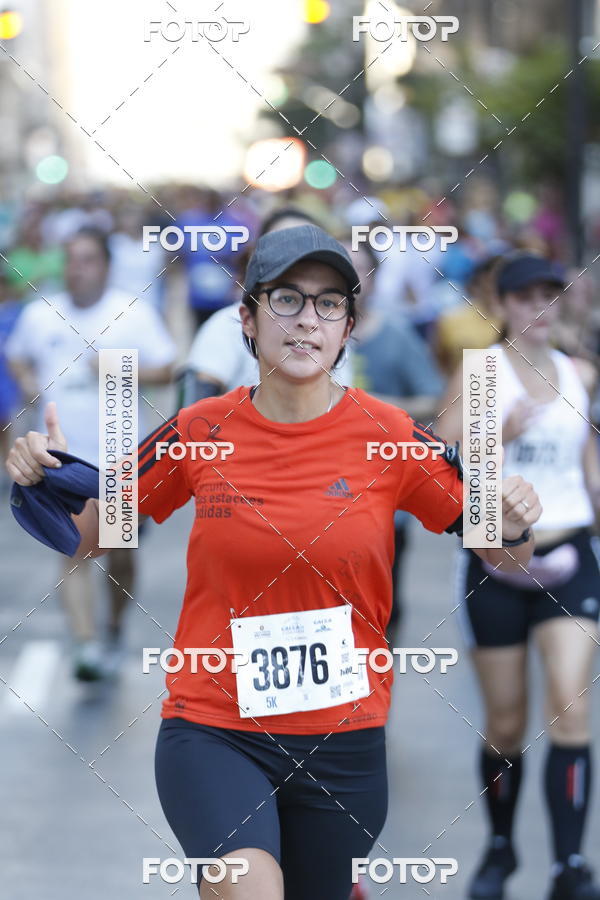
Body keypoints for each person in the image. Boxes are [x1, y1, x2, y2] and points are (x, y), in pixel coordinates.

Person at [6, 226, 539, 900]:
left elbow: (500, 551)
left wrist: (516, 525)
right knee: (248, 888)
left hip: (342, 742)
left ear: (348, 328)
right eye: (286, 299)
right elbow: (93, 537)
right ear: (248, 321)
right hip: (214, 727)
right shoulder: (200, 430)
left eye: (328, 304)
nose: (307, 320)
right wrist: (40, 476)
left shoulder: (392, 437)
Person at [436, 252, 600, 900]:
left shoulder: (581, 372)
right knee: (506, 723)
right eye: (525, 297)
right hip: (495, 560)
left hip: (569, 554)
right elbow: (438, 459)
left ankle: (569, 866)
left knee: (572, 702)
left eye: (549, 295)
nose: (539, 309)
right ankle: (500, 850)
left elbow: (590, 465)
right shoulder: (481, 373)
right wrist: (496, 432)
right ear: (501, 306)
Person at [5, 226, 176, 681]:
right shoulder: (43, 313)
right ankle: (86, 645)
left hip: (122, 458)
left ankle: (114, 628)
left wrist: (122, 368)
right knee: (74, 549)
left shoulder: (132, 313)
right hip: (61, 457)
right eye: (72, 259)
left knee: (119, 553)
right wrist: (25, 381)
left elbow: (167, 369)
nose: (78, 269)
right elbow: (16, 354)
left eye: (88, 259)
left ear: (106, 265)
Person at [342, 236, 445, 643]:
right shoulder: (302, 335)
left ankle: (375, 686)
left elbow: (434, 399)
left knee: (381, 606)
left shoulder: (397, 333)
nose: (351, 280)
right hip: (313, 492)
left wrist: (378, 407)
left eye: (360, 270)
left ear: (375, 277)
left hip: (383, 496)